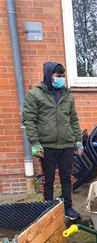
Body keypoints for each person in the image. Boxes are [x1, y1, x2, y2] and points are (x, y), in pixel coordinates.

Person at [22, 61, 83, 220]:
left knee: (66, 178)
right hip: (46, 146)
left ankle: (67, 207)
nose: (61, 79)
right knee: (48, 180)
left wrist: (78, 140)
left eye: (63, 76)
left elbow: (74, 120)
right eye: (58, 76)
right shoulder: (35, 95)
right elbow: (29, 120)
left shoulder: (67, 95)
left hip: (66, 145)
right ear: (49, 76)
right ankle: (47, 210)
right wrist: (35, 143)